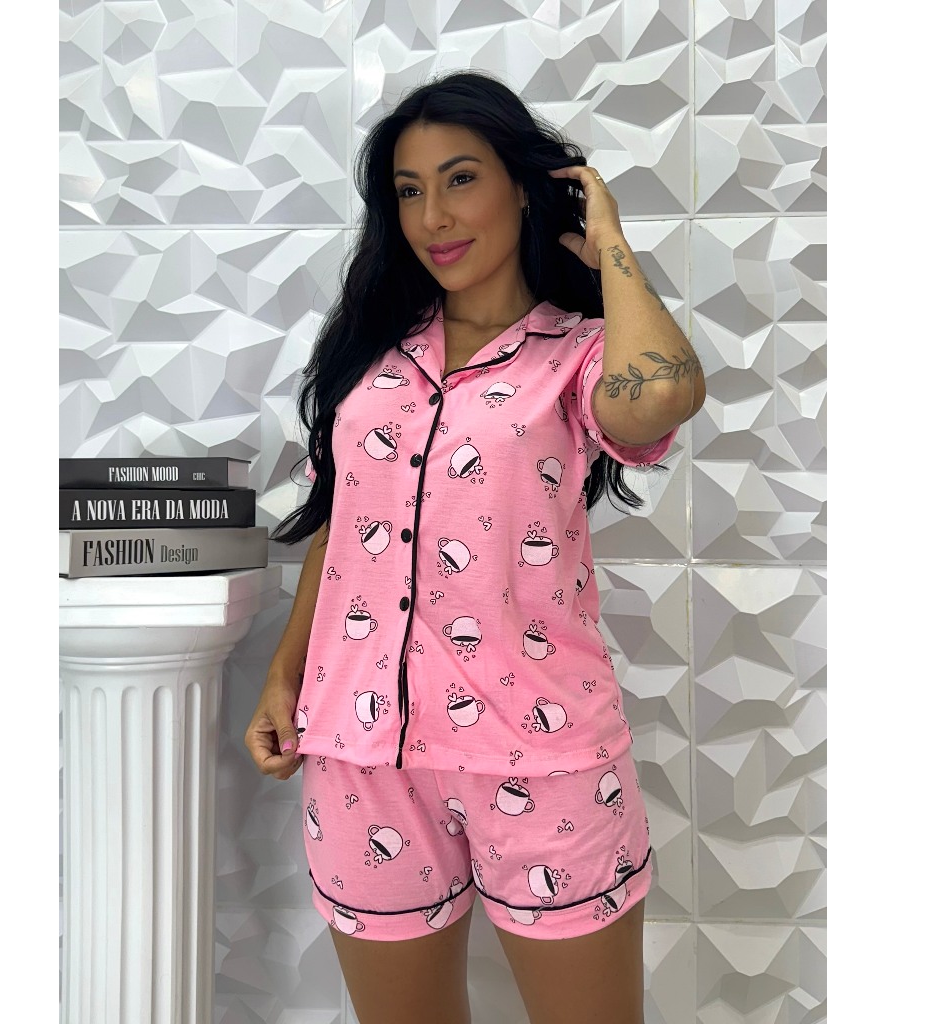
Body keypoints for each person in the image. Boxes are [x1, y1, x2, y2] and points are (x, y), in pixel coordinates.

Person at [245, 69, 705, 1024]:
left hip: (541, 750)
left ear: (524, 188)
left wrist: (610, 247)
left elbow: (663, 394)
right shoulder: (372, 356)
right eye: (409, 191)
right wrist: (286, 675)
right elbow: (344, 527)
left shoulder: (577, 354)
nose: (433, 217)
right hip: (361, 753)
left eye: (461, 179)